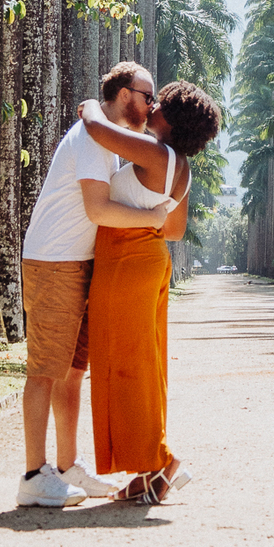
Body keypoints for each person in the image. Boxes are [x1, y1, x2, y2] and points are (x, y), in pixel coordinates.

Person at [17, 60, 168, 508]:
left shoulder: (107, 138)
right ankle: (32, 475)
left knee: (72, 372)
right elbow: (98, 209)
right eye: (147, 96)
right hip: (54, 261)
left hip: (79, 262)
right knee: (45, 369)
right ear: (124, 94)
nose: (151, 105)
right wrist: (151, 219)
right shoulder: (93, 138)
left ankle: (67, 467)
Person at [79, 79, 222, 504]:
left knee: (126, 368)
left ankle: (162, 460)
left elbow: (97, 129)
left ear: (171, 118)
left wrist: (89, 106)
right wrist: (145, 211)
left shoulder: (156, 154)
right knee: (142, 366)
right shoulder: (181, 167)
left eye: (160, 102)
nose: (153, 105)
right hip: (149, 260)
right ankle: (149, 470)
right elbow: (173, 230)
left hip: (127, 262)